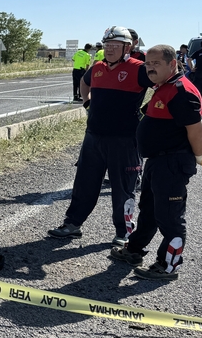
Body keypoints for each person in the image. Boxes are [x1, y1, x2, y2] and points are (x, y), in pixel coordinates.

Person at [109, 44, 202, 280]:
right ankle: (134, 250)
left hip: (172, 163)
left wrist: (199, 155)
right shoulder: (165, 86)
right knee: (149, 209)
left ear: (172, 64)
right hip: (157, 162)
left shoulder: (181, 91)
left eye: (156, 63)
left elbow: (197, 129)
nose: (150, 68)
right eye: (148, 63)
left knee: (169, 217)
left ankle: (168, 265)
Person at [48, 26, 154, 246]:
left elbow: (164, 86)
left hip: (124, 140)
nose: (109, 49)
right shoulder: (97, 67)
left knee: (123, 188)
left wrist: (149, 111)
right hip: (93, 137)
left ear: (127, 47)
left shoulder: (139, 69)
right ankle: (72, 224)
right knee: (84, 183)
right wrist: (87, 102)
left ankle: (124, 232)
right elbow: (84, 82)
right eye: (107, 45)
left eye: (115, 45)